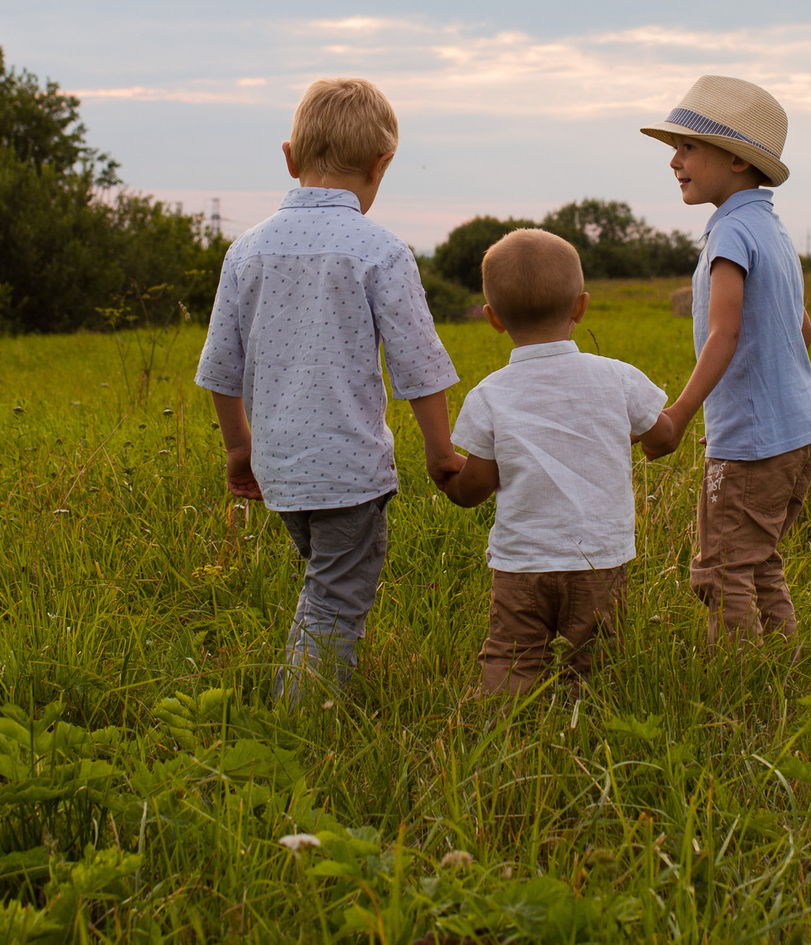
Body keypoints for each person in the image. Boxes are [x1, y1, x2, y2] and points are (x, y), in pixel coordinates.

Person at [194, 77, 463, 698]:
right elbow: (418, 366)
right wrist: (440, 452)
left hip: (281, 469)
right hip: (350, 472)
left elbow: (220, 369)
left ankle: (305, 697)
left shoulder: (246, 251)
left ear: (289, 157)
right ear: (382, 163)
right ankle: (302, 721)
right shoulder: (381, 251)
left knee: (324, 583)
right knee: (336, 600)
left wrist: (240, 451)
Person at [438, 228, 672, 694]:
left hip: (523, 561)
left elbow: (476, 486)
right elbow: (662, 437)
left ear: (493, 319)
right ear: (580, 307)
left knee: (513, 657)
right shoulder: (616, 378)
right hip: (600, 558)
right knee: (597, 662)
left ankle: (504, 730)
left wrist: (447, 480)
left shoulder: (490, 394)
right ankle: (584, 730)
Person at [641, 75, 811, 644]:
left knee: (722, 571)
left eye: (689, 147)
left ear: (739, 161)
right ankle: (780, 664)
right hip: (797, 431)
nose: (674, 160)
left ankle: (741, 679)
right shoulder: (772, 231)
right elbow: (802, 330)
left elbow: (725, 332)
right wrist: (742, 413)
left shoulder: (729, 236)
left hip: (756, 441)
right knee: (756, 558)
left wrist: (679, 415)